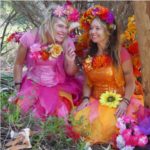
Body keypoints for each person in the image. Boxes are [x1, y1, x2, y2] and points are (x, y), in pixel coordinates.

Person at [74, 5, 144, 145]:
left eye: (97, 28)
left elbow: (130, 81)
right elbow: (88, 82)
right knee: (79, 123)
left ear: (109, 31)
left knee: (116, 127)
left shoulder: (121, 53)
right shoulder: (89, 54)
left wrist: (125, 102)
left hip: (120, 102)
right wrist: (86, 98)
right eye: (91, 28)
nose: (93, 32)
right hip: (96, 101)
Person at [12, 4, 82, 120]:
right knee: (25, 115)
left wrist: (70, 61)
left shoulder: (67, 42)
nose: (64, 31)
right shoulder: (30, 37)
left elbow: (71, 73)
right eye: (60, 26)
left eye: (66, 27)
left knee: (60, 117)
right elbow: (18, 64)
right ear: (49, 24)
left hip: (57, 85)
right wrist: (17, 87)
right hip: (33, 82)